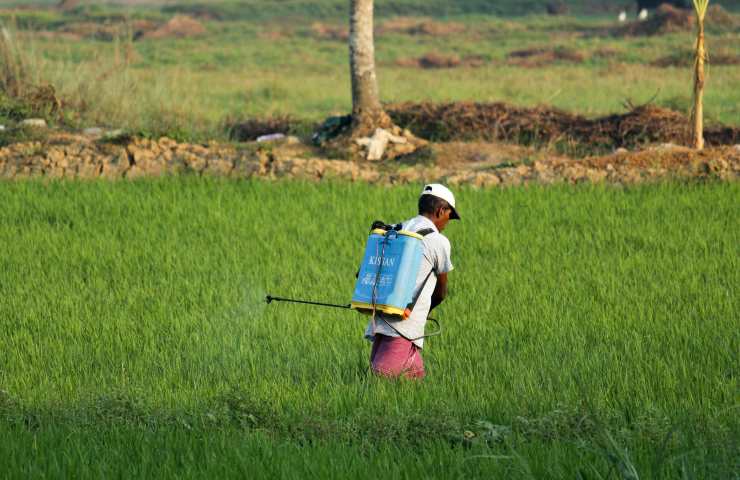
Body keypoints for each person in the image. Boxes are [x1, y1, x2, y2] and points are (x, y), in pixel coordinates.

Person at [364, 184, 459, 379]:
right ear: (441, 211)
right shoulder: (437, 241)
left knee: (413, 381)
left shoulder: (397, 229)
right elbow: (441, 292)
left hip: (382, 316)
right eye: (449, 216)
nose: (447, 223)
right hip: (404, 326)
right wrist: (424, 313)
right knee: (381, 381)